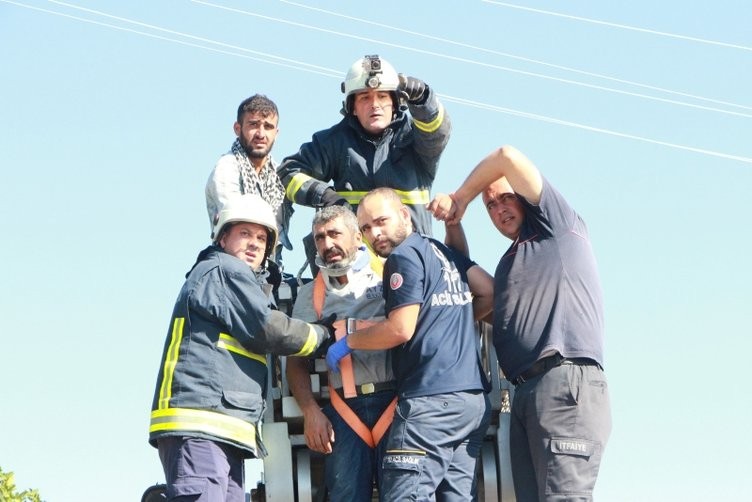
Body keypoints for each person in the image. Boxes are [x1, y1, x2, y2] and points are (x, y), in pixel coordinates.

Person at [428, 145, 612, 501]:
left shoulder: (555, 225)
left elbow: (506, 156)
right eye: (490, 207)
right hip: (525, 393)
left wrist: (460, 198)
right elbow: (464, 287)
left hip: (563, 384)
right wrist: (454, 224)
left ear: (525, 197)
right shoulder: (510, 263)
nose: (499, 210)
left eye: (505, 198)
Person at [148, 194, 334, 502]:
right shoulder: (224, 270)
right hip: (201, 425)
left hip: (220, 429)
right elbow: (267, 327)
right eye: (244, 233)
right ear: (223, 238)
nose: (254, 243)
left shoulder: (237, 279)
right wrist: (324, 336)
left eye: (262, 238)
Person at [326, 188, 495, 501]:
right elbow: (488, 292)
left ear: (405, 215)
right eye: (365, 228)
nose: (375, 233)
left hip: (430, 401)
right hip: (471, 402)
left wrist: (349, 341)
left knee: (406, 495)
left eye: (381, 221)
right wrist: (448, 317)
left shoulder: (403, 256)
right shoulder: (440, 251)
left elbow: (400, 329)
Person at [277, 54, 451, 271]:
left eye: (382, 96)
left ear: (396, 103)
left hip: (414, 266)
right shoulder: (334, 142)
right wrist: (327, 197)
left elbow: (438, 132)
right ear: (352, 106)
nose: (375, 105)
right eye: (365, 98)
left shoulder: (415, 139)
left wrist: (424, 99)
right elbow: (287, 174)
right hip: (352, 276)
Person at [286, 205, 394, 501]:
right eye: (319, 238)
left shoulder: (389, 275)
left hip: (395, 403)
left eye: (334, 234)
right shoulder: (311, 295)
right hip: (345, 409)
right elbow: (295, 361)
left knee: (405, 494)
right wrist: (310, 410)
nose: (327, 244)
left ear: (358, 238)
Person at [205, 93, 293, 267]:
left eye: (268, 127)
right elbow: (236, 223)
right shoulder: (227, 168)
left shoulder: (278, 174)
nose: (261, 134)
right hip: (231, 267)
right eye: (253, 125)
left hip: (270, 270)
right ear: (238, 128)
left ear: (276, 133)